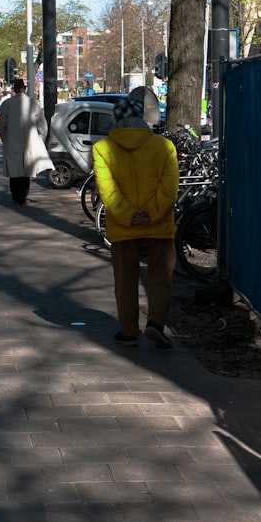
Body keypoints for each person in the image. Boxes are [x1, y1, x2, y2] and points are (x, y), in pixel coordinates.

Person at [92, 96, 179, 349]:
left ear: (116, 119)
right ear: (142, 118)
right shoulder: (164, 147)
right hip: (159, 224)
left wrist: (130, 214)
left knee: (125, 278)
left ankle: (129, 331)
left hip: (123, 226)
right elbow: (170, 189)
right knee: (160, 275)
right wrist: (150, 213)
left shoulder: (102, 148)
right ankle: (155, 323)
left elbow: (107, 190)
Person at [0, 78, 53, 205]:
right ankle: (23, 196)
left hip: (11, 141)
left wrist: (5, 138)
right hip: (30, 141)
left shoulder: (7, 104)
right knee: (26, 171)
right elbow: (43, 126)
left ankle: (16, 196)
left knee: (14, 171)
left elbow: (1, 125)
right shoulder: (33, 103)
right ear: (25, 89)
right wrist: (40, 140)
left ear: (14, 90)